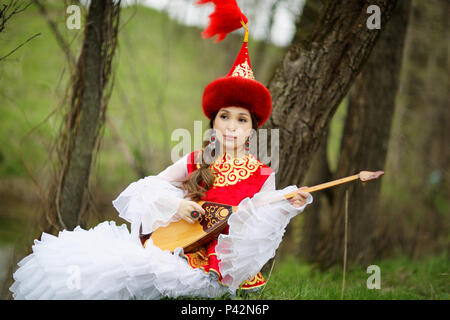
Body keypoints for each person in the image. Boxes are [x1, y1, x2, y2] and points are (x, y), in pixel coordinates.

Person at [9, 2, 313, 300]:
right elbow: (147, 187)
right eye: (224, 117)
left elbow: (261, 220)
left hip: (216, 267)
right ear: (214, 122)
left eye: (241, 119)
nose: (232, 126)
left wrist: (290, 204)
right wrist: (176, 206)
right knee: (101, 266)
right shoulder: (196, 159)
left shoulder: (262, 174)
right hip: (177, 247)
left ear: (251, 129)